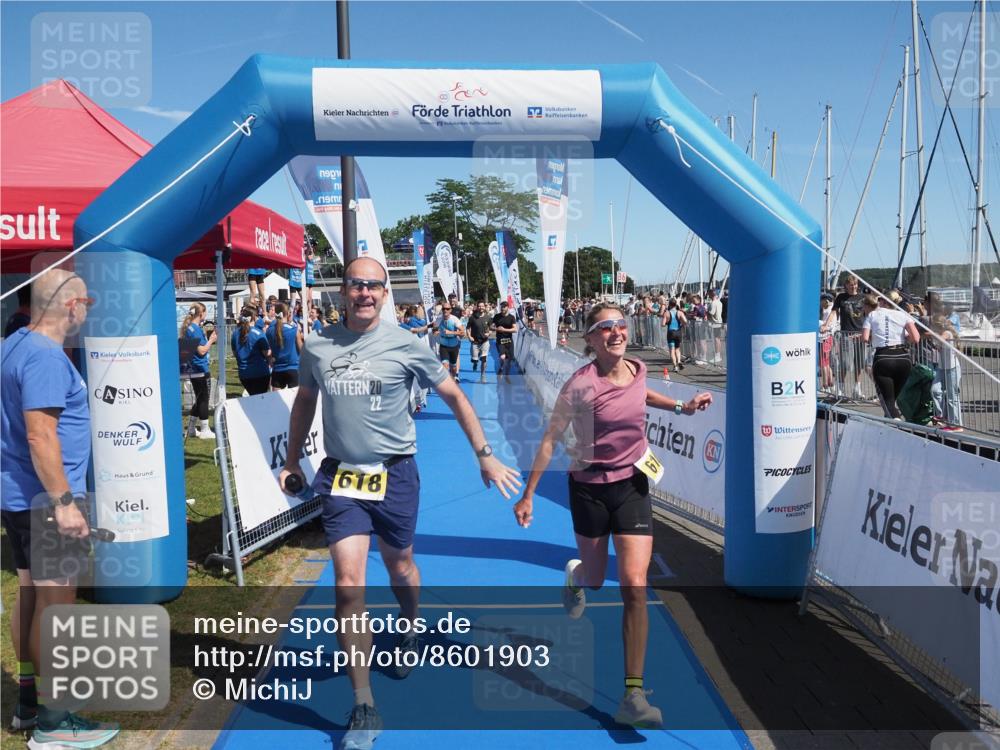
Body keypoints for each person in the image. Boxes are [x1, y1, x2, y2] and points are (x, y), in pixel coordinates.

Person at [279, 257, 521, 750]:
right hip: (342, 478)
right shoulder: (318, 345)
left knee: (401, 567)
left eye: (373, 285)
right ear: (343, 291)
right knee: (348, 584)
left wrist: (485, 455)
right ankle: (364, 704)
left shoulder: (407, 344)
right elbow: (305, 400)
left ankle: (409, 624)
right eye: (356, 284)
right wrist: (291, 458)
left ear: (385, 294)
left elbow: (455, 397)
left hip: (396, 475)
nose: (364, 292)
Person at [512, 302, 712, 729]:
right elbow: (549, 439)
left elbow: (643, 395)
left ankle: (633, 695)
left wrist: (683, 407)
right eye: (606, 327)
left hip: (633, 486)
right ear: (590, 338)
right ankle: (576, 574)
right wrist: (528, 495)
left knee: (634, 584)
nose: (617, 332)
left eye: (621, 324)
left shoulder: (637, 369)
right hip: (589, 489)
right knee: (596, 580)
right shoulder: (580, 386)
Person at [1, 269, 119, 748]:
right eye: (86, 302)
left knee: (32, 597)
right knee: (57, 610)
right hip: (46, 501)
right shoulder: (46, 357)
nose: (88, 311)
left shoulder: (13, 345)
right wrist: (65, 503)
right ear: (71, 306)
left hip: (19, 497)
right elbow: (39, 435)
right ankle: (54, 723)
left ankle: (30, 703)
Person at [861, 293, 919, 420]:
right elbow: (916, 338)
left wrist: (875, 338)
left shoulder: (872, 315)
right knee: (893, 398)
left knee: (888, 400)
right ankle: (891, 420)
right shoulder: (903, 315)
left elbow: (864, 338)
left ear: (883, 302)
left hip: (883, 358)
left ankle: (896, 422)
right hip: (903, 358)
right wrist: (904, 339)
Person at [823, 275, 867, 398]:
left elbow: (869, 313)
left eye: (855, 284)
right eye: (851, 285)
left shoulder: (863, 297)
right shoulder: (841, 297)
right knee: (845, 363)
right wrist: (826, 324)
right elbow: (834, 312)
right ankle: (840, 388)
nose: (853, 287)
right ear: (846, 285)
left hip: (860, 333)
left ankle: (857, 388)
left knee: (859, 362)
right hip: (846, 333)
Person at [179, 301, 218, 439]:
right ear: (201, 313)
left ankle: (191, 428)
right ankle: (205, 429)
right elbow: (201, 351)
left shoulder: (190, 328)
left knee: (200, 398)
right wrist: (211, 340)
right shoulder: (194, 329)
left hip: (194, 368)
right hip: (199, 368)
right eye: (205, 312)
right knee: (203, 399)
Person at [929, 314, 963, 430]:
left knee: (952, 397)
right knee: (935, 390)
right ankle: (941, 415)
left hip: (952, 368)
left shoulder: (947, 333)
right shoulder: (940, 334)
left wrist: (930, 333)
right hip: (942, 368)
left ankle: (956, 424)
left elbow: (940, 339)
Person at [232, 306, 272, 395]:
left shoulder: (235, 333)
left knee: (253, 397)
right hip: (259, 373)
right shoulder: (258, 333)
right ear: (253, 317)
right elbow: (267, 353)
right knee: (261, 398)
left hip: (244, 374)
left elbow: (235, 353)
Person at [266, 302, 304, 390]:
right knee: (295, 398)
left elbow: (270, 349)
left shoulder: (269, 331)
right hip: (293, 369)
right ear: (287, 313)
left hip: (277, 369)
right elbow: (302, 351)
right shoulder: (294, 330)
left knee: (276, 398)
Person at [434, 301, 465, 382]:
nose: (445, 310)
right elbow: (435, 329)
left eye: (447, 309)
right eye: (444, 309)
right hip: (443, 345)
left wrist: (451, 332)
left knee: (453, 368)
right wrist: (436, 332)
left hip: (453, 346)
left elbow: (462, 332)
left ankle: (453, 378)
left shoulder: (455, 319)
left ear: (450, 310)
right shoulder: (439, 319)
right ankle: (448, 382)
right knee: (445, 365)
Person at [492, 301, 517, 384]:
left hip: (509, 341)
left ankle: (506, 375)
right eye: (501, 306)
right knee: (502, 357)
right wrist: (496, 329)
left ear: (507, 307)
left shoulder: (511, 317)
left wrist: (504, 329)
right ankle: (501, 368)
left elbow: (515, 329)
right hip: (500, 340)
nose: (502, 308)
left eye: (504, 306)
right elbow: (491, 326)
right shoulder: (497, 316)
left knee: (509, 360)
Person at [467, 301, 491, 383]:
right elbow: (468, 328)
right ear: (477, 307)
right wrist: (469, 336)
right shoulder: (472, 317)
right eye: (479, 306)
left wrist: (489, 333)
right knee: (475, 359)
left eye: (482, 306)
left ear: (485, 307)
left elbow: (491, 328)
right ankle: (475, 363)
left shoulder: (488, 317)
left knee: (484, 359)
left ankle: (483, 376)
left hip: (484, 341)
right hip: (475, 342)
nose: (481, 308)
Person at [660, 298, 686, 372]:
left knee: (672, 350)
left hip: (671, 332)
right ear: (676, 304)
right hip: (678, 332)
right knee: (677, 349)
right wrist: (681, 324)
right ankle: (679, 361)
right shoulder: (680, 312)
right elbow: (685, 321)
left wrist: (667, 322)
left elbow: (663, 324)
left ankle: (675, 366)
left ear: (670, 304)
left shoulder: (667, 313)